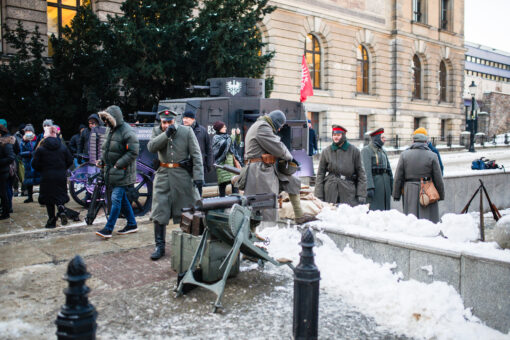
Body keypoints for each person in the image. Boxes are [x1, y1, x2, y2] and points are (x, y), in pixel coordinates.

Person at [147, 109, 204, 260]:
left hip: (182, 176)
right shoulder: (157, 131)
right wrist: (166, 135)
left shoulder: (186, 132)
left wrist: (198, 177)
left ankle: (190, 243)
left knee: (189, 211)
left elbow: (196, 155)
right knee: (159, 212)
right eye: (164, 122)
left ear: (175, 121)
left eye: (169, 122)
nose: (166, 125)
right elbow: (151, 147)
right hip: (163, 175)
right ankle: (159, 246)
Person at [243, 110, 315, 224]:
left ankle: (299, 216)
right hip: (259, 170)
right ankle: (259, 231)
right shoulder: (262, 127)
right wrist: (290, 158)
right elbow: (278, 147)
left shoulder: (263, 125)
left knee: (293, 181)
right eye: (280, 126)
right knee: (263, 205)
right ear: (276, 122)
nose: (280, 129)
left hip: (266, 166)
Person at [95, 106, 139, 239]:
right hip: (113, 170)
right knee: (123, 199)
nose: (105, 123)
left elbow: (133, 151)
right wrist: (102, 161)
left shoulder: (127, 131)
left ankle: (108, 229)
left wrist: (119, 164)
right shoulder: (110, 129)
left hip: (122, 172)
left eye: (107, 120)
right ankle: (132, 224)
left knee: (115, 200)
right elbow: (107, 149)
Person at [392, 127, 445, 223]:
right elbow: (438, 178)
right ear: (426, 141)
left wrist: (396, 194)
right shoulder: (432, 155)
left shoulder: (404, 155)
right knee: (428, 218)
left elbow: (398, 177)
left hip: (409, 189)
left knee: (411, 218)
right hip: (427, 188)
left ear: (413, 141)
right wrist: (441, 194)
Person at [31, 126, 73, 228]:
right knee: (59, 194)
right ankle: (61, 209)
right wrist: (63, 168)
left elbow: (34, 164)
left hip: (47, 176)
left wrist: (42, 169)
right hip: (60, 175)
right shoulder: (62, 147)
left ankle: (51, 220)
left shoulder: (41, 149)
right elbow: (70, 160)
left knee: (49, 198)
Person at [315, 125, 367, 206]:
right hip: (330, 190)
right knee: (331, 214)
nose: (336, 137)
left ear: (343, 136)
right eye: (334, 135)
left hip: (348, 190)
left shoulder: (354, 151)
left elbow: (361, 174)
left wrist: (361, 194)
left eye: (338, 135)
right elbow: (320, 174)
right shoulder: (326, 151)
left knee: (347, 215)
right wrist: (319, 195)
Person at [361, 128, 393, 211]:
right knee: (376, 210)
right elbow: (366, 171)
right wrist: (369, 187)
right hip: (376, 185)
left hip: (385, 186)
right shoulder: (366, 150)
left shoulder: (383, 151)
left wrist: (392, 185)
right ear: (376, 138)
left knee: (386, 210)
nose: (385, 139)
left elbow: (389, 170)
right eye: (382, 138)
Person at [181, 110, 212, 195]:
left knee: (198, 191)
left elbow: (208, 148)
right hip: (183, 166)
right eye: (184, 118)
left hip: (198, 166)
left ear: (193, 119)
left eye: (187, 118)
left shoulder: (202, 131)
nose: (184, 120)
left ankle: (198, 207)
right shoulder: (179, 130)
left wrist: (209, 164)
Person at [212, 121, 243, 197]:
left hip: (231, 164)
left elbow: (236, 144)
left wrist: (238, 135)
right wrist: (232, 136)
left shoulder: (227, 136)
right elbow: (225, 145)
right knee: (222, 185)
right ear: (219, 129)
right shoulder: (216, 138)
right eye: (224, 127)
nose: (225, 128)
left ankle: (235, 201)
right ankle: (222, 203)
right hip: (222, 164)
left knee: (235, 183)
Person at [19, 124, 40, 203]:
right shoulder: (23, 142)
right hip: (27, 163)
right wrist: (30, 153)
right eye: (26, 131)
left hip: (36, 162)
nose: (28, 133)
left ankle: (41, 196)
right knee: (28, 181)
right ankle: (30, 196)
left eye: (29, 131)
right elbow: (20, 153)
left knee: (39, 179)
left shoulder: (38, 139)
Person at [0, 124, 16, 219]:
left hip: (3, 172)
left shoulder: (6, 143)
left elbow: (11, 157)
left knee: (3, 193)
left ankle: (6, 212)